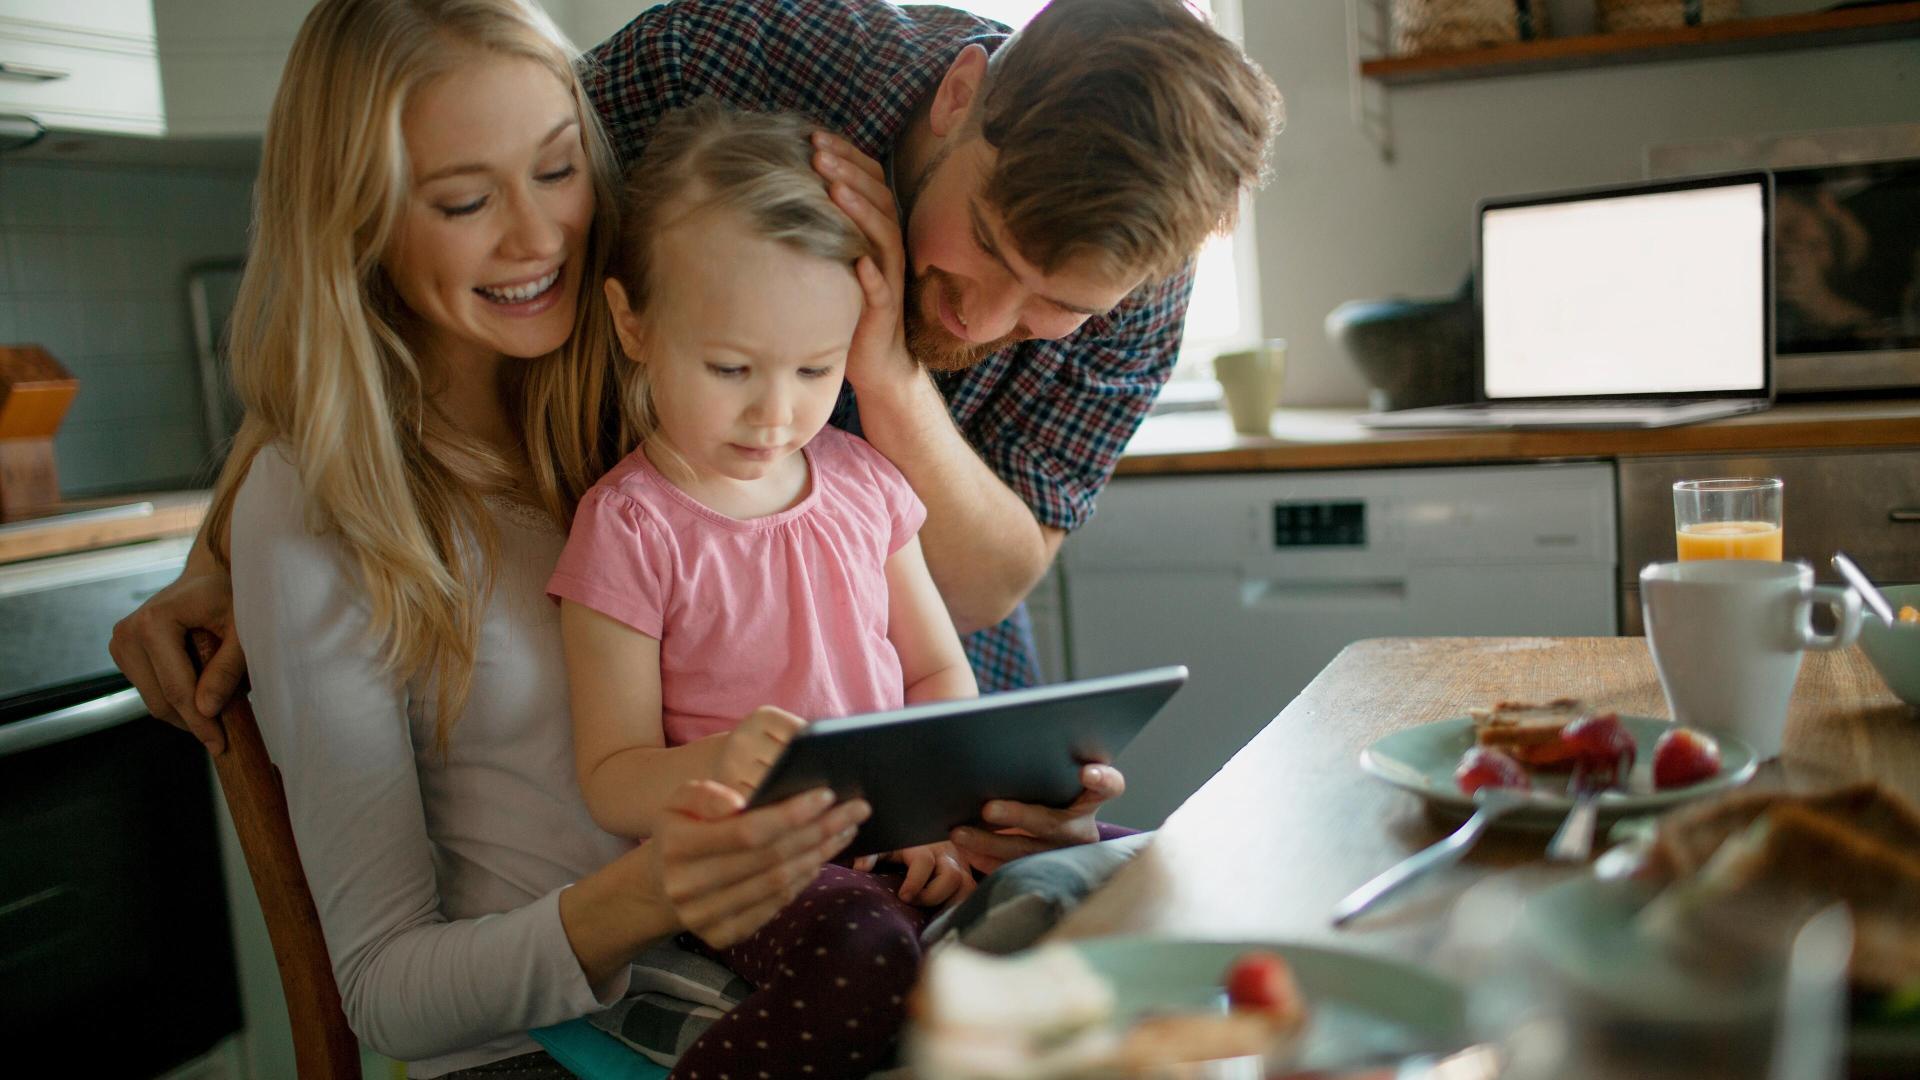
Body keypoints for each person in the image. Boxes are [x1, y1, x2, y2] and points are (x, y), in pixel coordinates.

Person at [108, 1, 1135, 1074]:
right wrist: (652, 892)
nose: (534, 236)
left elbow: (921, 632)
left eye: (558, 172)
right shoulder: (324, 506)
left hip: (805, 972)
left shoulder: (642, 409)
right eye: (465, 199)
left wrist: (983, 814)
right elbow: (385, 998)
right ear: (360, 220)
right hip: (558, 1046)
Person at [553, 100, 981, 1078]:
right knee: (870, 952)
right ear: (633, 322)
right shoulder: (630, 526)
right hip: (752, 868)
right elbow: (611, 776)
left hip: (894, 838)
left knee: (1113, 868)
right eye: (732, 368)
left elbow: (936, 671)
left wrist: (942, 822)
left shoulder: (868, 483)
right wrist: (723, 765)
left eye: (816, 370)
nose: (776, 411)